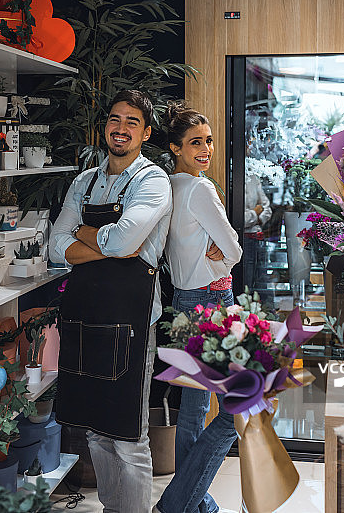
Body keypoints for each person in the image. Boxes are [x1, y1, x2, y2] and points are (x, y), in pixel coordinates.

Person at [49, 89, 172, 513]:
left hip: (131, 319)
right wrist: (108, 242)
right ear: (105, 127)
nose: (121, 128)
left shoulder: (152, 180)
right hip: (85, 316)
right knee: (96, 431)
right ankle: (111, 508)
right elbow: (55, 245)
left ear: (146, 132)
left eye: (132, 122)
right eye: (115, 120)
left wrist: (88, 235)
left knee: (127, 435)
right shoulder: (84, 181)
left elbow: (124, 241)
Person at [155, 103, 241, 513]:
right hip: (213, 300)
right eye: (195, 143)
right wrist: (223, 257)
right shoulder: (200, 189)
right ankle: (177, 503)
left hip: (184, 303)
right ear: (176, 148)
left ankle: (194, 503)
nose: (205, 149)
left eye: (208, 140)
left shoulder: (166, 186)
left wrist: (216, 253)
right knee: (239, 406)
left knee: (193, 409)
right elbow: (236, 251)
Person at [243, 169, 273, 304]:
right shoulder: (229, 176)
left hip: (257, 238)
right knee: (246, 282)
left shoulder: (253, 177)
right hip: (242, 240)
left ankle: (265, 314)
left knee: (262, 279)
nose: (248, 147)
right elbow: (237, 219)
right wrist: (255, 213)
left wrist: (256, 218)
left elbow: (267, 209)